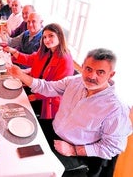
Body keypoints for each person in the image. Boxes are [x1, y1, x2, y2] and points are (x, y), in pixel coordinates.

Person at [7, 48, 132, 176]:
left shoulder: (116, 109)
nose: (92, 76)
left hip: (75, 151)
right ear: (83, 66)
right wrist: (20, 75)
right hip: (53, 131)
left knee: (33, 168)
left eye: (100, 72)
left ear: (110, 75)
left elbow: (113, 147)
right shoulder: (75, 81)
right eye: (88, 69)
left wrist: (74, 150)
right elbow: (48, 87)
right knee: (16, 144)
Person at [3, 23, 74, 119]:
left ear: (60, 36)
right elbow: (30, 59)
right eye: (44, 37)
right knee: (7, 94)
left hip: (48, 101)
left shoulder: (65, 60)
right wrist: (13, 51)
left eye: (51, 36)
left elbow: (57, 90)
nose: (47, 40)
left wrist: (37, 96)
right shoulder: (46, 51)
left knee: (12, 106)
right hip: (34, 88)